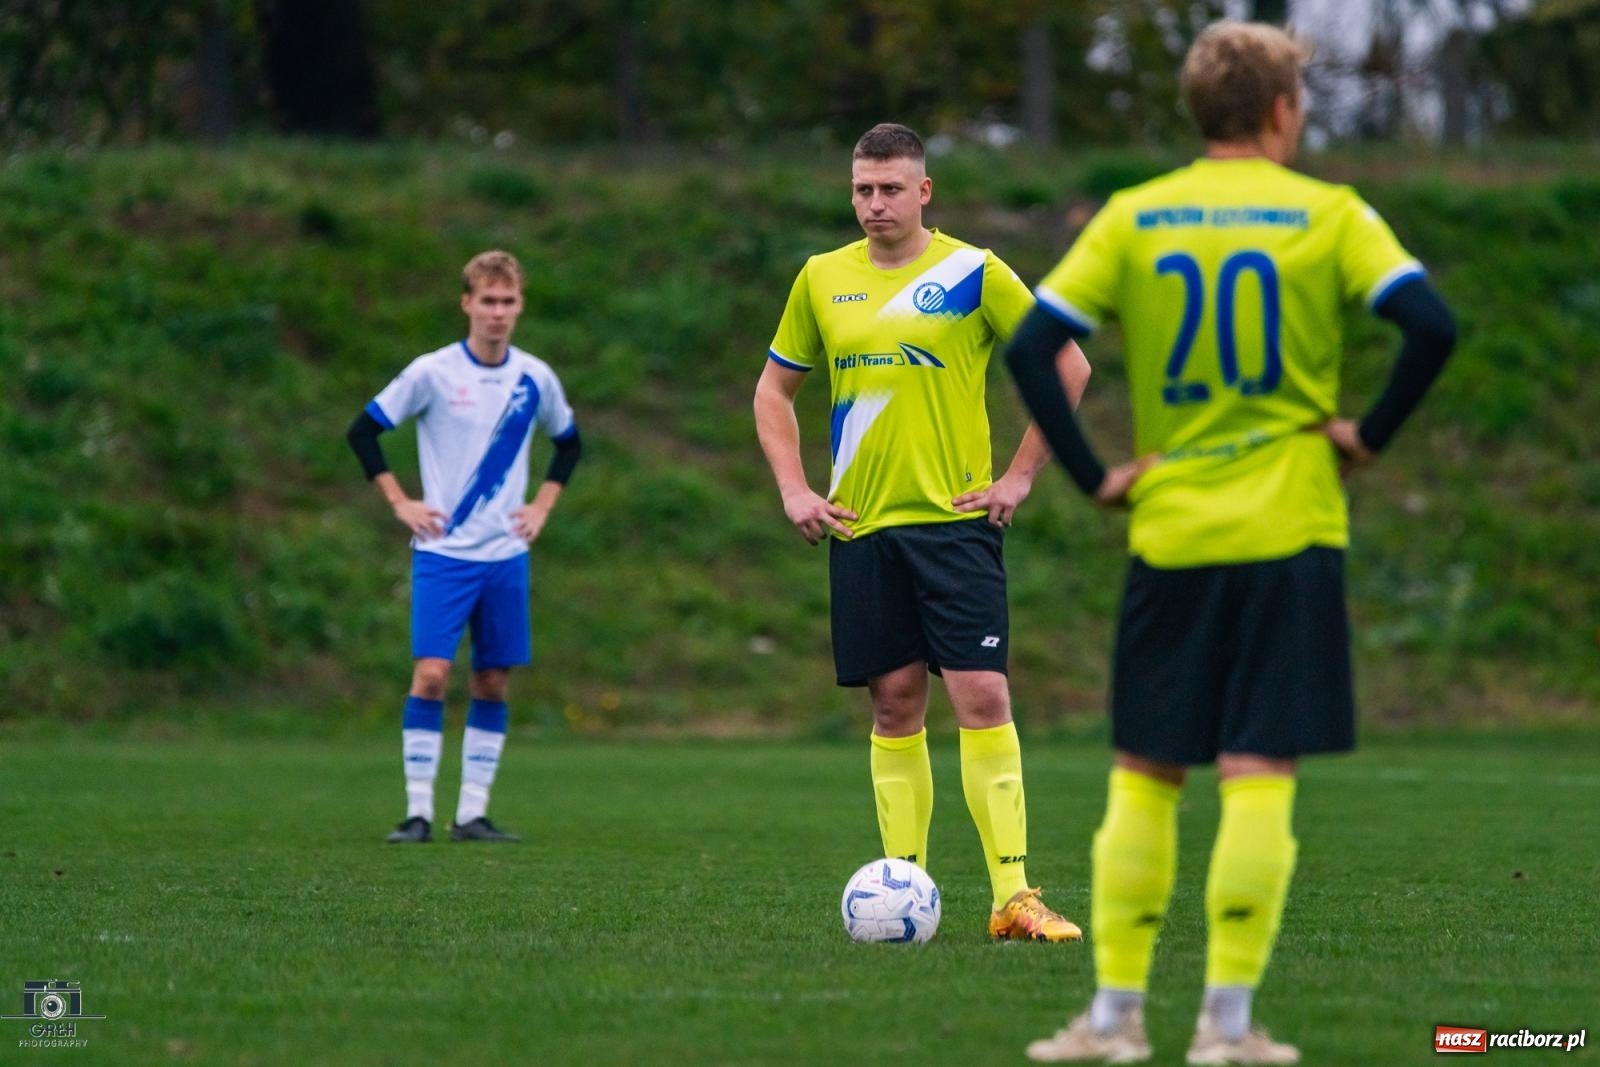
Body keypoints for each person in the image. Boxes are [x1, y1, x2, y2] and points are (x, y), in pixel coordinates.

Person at [1006, 22, 1456, 1064]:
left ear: (1198, 111)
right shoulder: (1330, 214)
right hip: (1290, 526)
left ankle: (1113, 1020)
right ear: (1282, 111)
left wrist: (1094, 474)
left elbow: (1034, 345)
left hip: (1171, 532)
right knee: (1257, 770)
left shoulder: (1134, 216)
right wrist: (1366, 435)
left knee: (1145, 769)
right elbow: (1430, 325)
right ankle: (1227, 1026)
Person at [754, 122, 1094, 941]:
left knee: (982, 692)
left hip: (954, 525)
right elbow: (773, 393)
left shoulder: (974, 272)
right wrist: (796, 488)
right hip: (861, 527)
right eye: (863, 190)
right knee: (895, 703)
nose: (875, 204)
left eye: (891, 189)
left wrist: (1018, 476)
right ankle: (903, 883)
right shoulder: (820, 277)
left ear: (924, 192)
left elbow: (1068, 365)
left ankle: (1013, 893)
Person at [346, 250, 582, 845]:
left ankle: (471, 814)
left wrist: (542, 506)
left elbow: (569, 443)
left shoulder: (535, 377)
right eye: (487, 301)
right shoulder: (432, 372)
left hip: (505, 556)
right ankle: (417, 813)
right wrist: (401, 502)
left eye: (508, 302)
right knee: (430, 674)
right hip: (443, 554)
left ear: (520, 306)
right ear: (467, 304)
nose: (498, 313)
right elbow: (364, 431)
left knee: (493, 681)